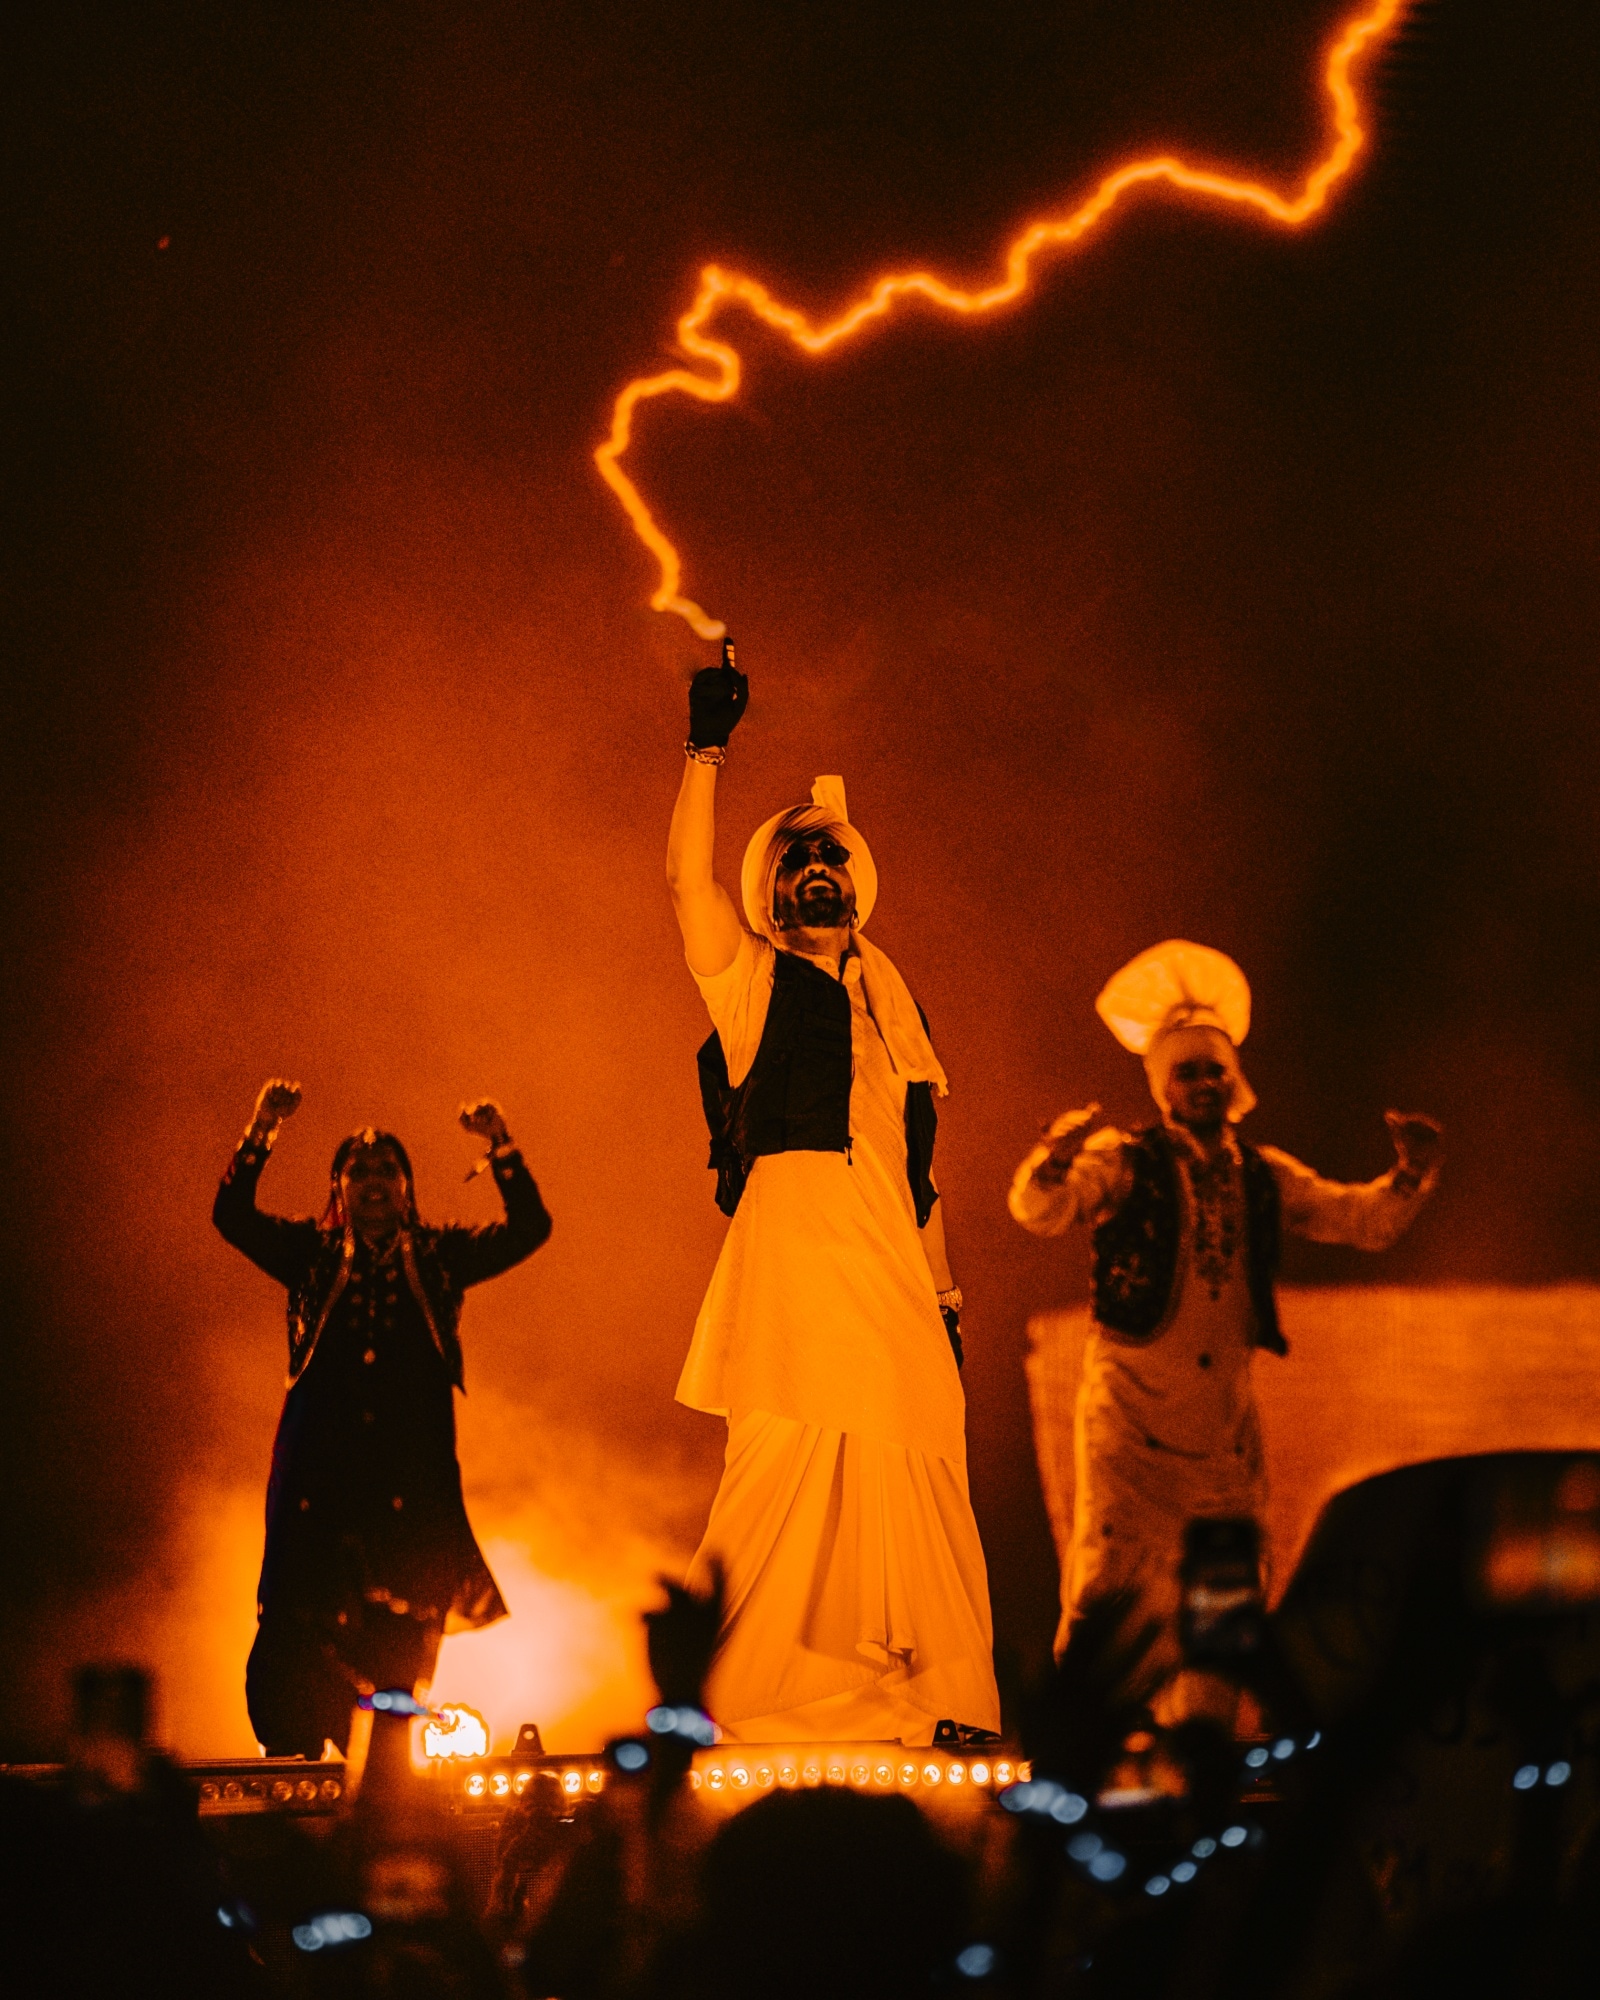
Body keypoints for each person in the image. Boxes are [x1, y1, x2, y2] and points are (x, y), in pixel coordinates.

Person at [666, 644, 1000, 1746]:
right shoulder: (754, 985)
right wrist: (705, 749)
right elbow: (685, 888)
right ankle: (762, 1698)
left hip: (895, 1273)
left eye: (833, 860)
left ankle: (923, 1701)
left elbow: (917, 1173)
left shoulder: (893, 1007)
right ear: (773, 889)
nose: (819, 871)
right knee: (782, 1469)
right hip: (796, 1259)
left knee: (920, 1465)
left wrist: (946, 1302)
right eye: (798, 861)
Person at [1007, 940, 1442, 1715]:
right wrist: (1050, 1159)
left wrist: (1407, 1176)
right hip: (1130, 1422)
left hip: (1221, 1434)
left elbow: (1360, 1221)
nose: (1204, 1083)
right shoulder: (1125, 1161)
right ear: (1162, 1084)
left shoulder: (1261, 1173)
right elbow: (1043, 1211)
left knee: (1223, 1601)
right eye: (1188, 1071)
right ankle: (1077, 1757)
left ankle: (1202, 1759)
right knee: (1110, 1587)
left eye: (1214, 1069)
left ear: (1233, 1078)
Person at [214, 1081, 552, 1756]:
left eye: (387, 1172)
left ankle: (386, 1766)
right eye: (358, 1171)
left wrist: (501, 1145)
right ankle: (295, 1754)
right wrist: (261, 1131)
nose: (373, 1182)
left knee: (403, 1624)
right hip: (319, 1473)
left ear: (408, 1189)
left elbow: (529, 1230)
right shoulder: (309, 1254)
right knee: (298, 1618)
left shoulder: (438, 1257)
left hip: (410, 1478)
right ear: (337, 1188)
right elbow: (232, 1215)